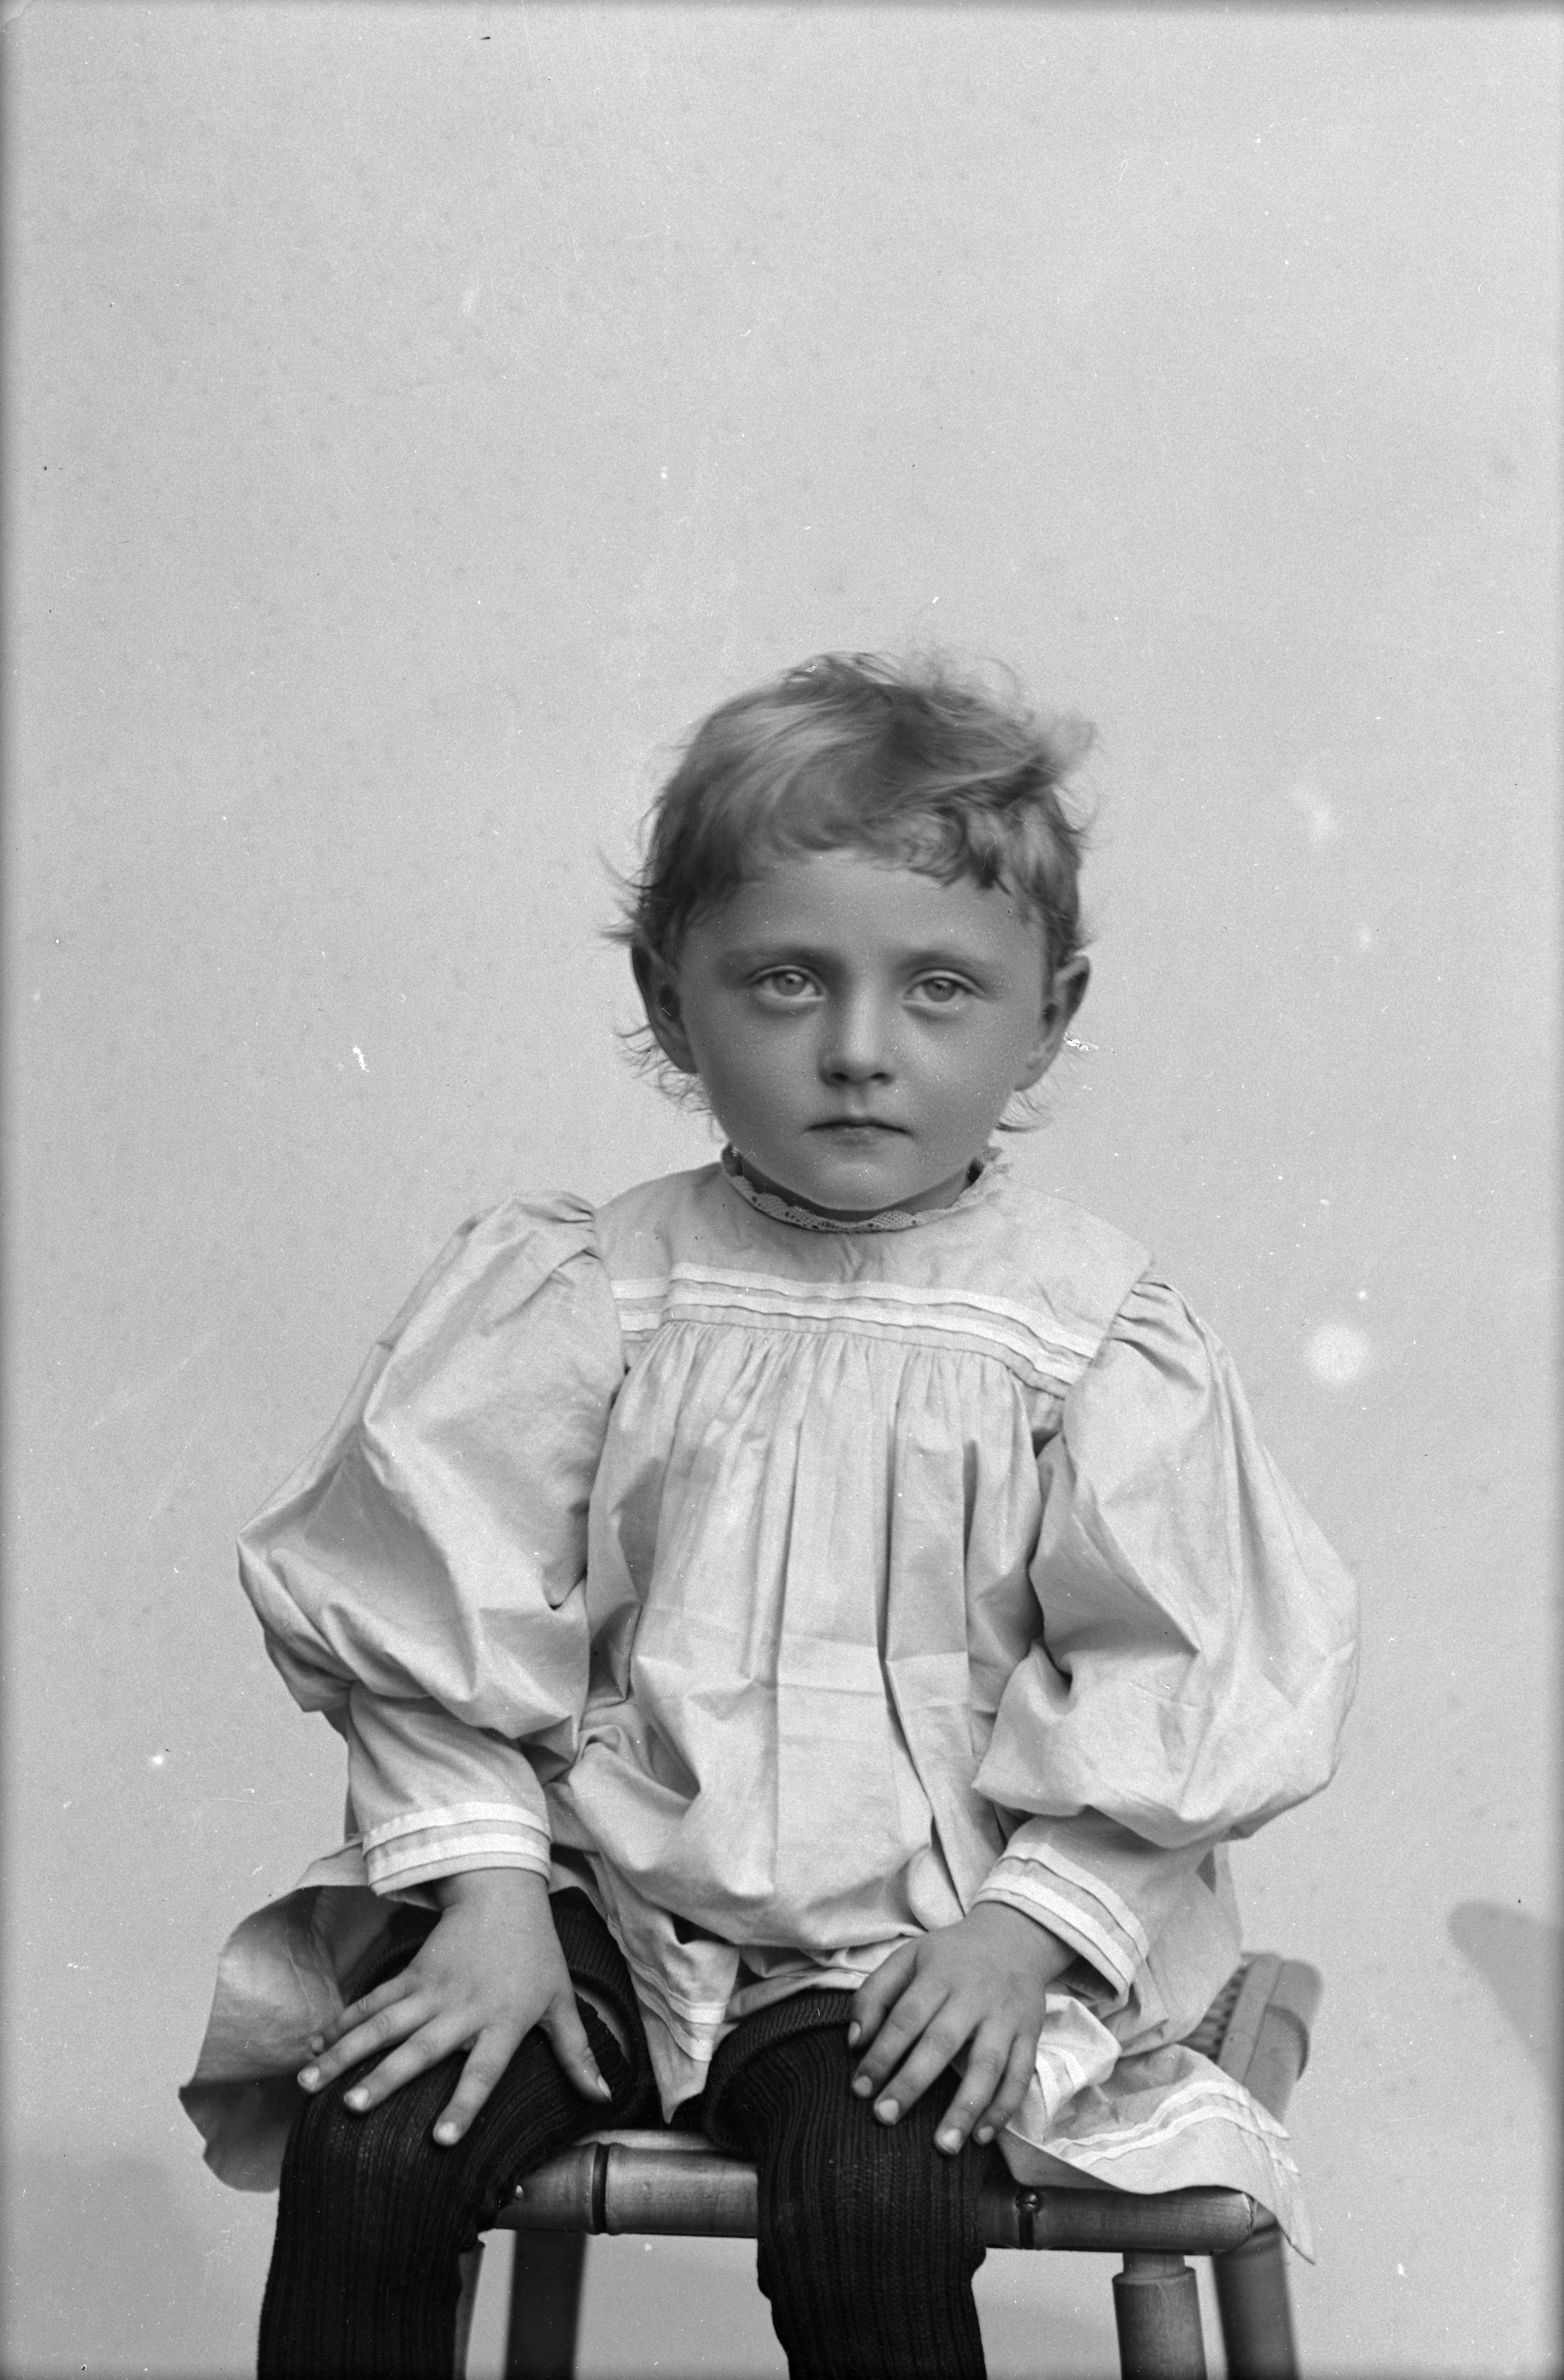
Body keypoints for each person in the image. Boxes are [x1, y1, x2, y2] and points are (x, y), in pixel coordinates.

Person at [182, 652, 1358, 2379]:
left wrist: (1023, 1934)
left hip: (923, 1929)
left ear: (1050, 1013)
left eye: (939, 988)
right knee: (381, 2139)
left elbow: (1189, 1673)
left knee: (870, 2192)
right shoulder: (589, 1289)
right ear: (671, 1002)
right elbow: (428, 1603)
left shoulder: (1089, 1334)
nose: (859, 1052)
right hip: (591, 1902)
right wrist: (491, 1897)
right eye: (787, 982)